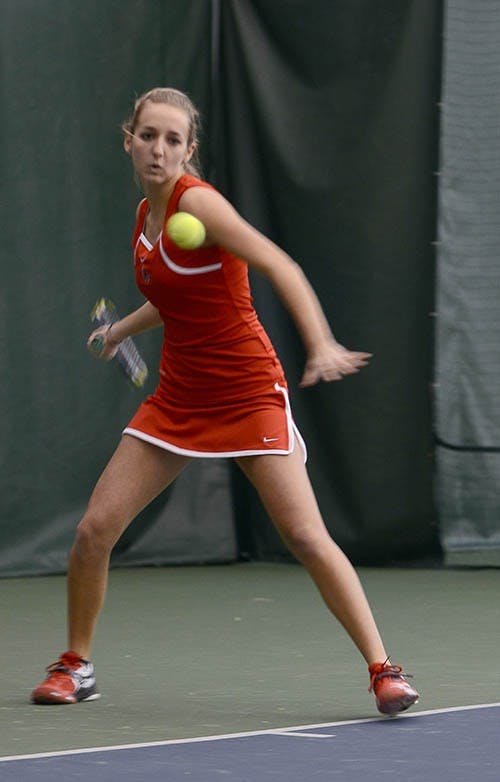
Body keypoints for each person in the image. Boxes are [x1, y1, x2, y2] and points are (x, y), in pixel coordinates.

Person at [31, 87, 419, 715]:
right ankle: (75, 665)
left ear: (189, 150)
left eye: (173, 140)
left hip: (246, 391)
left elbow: (280, 265)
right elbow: (174, 298)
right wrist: (119, 332)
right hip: (180, 394)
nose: (159, 150)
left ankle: (384, 670)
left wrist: (319, 344)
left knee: (305, 535)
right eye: (148, 136)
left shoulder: (201, 207)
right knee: (92, 531)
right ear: (128, 139)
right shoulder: (144, 218)